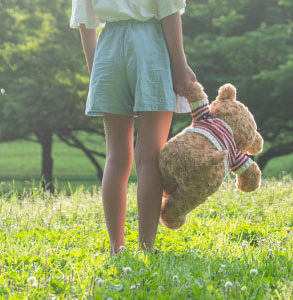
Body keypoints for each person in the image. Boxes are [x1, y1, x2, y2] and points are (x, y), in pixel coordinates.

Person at [70, 0, 196, 253]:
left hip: (108, 49)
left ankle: (117, 248)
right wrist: (180, 65)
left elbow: (85, 22)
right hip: (149, 45)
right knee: (149, 157)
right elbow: (169, 11)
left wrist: (97, 72)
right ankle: (146, 247)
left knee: (116, 157)